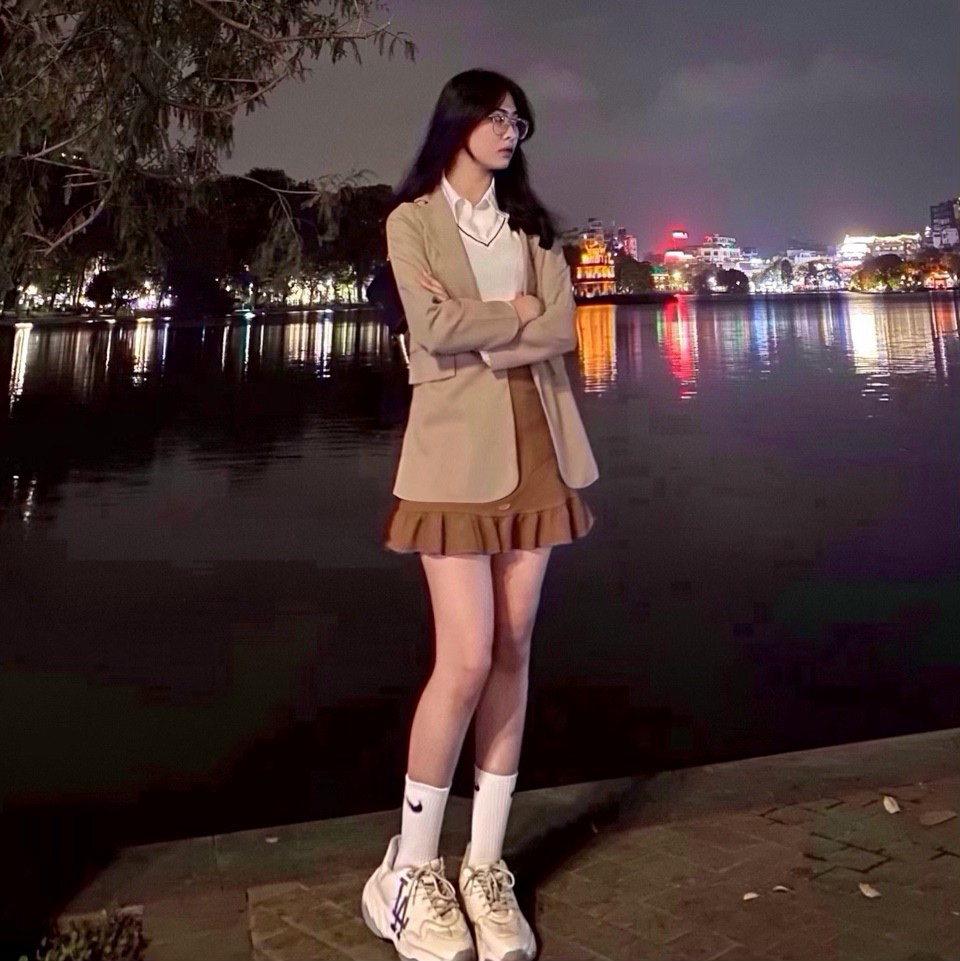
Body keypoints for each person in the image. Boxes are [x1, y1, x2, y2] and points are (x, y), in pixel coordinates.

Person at [361, 68, 599, 961]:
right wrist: (513, 313)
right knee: (462, 656)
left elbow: (563, 330)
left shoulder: (533, 228)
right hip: (454, 459)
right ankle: (410, 870)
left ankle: (485, 866)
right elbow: (430, 327)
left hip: (540, 447)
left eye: (518, 121)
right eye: (496, 117)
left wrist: (492, 322)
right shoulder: (413, 221)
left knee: (511, 651)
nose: (509, 131)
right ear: (457, 122)